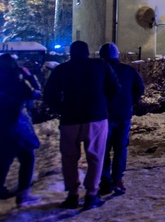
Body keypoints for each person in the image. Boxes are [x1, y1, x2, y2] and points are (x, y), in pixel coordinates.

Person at [43, 41, 118, 210]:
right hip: (96, 117)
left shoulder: (61, 70)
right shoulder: (100, 65)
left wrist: (61, 109)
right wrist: (103, 105)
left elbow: (49, 94)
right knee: (96, 156)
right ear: (88, 52)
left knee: (69, 158)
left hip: (70, 118)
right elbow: (115, 88)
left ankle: (72, 194)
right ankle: (92, 193)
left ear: (71, 53)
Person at [98, 43, 144, 196]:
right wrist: (130, 100)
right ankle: (117, 178)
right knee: (120, 147)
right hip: (123, 114)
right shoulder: (128, 70)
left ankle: (104, 181)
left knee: (103, 148)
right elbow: (140, 88)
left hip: (103, 115)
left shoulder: (99, 70)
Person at [0, 53, 41, 207]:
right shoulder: (18, 84)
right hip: (17, 127)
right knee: (27, 158)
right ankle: (23, 193)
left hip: (2, 127)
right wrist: (29, 76)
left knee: (4, 160)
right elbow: (37, 92)